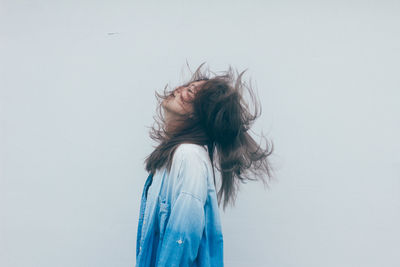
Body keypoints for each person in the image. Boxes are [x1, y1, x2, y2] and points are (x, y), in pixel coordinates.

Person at [135, 62, 275, 266]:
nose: (178, 89)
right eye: (187, 85)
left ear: (198, 114)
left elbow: (182, 239)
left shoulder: (188, 157)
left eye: (190, 91)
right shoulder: (178, 157)